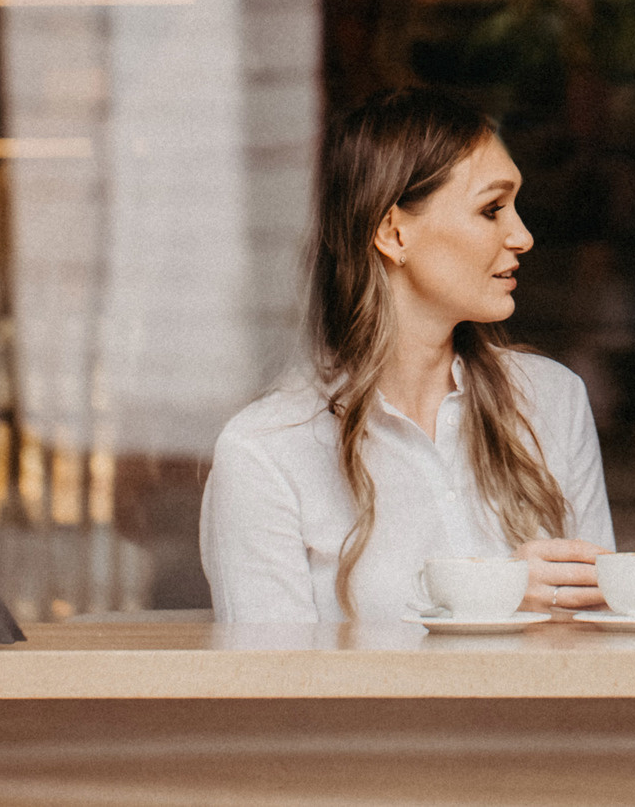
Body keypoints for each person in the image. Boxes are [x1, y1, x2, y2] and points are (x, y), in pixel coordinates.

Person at [201, 88, 613, 621]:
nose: (523, 235)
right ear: (395, 233)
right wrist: (487, 599)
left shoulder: (553, 400)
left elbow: (600, 644)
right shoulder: (264, 453)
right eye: (491, 209)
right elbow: (276, 694)